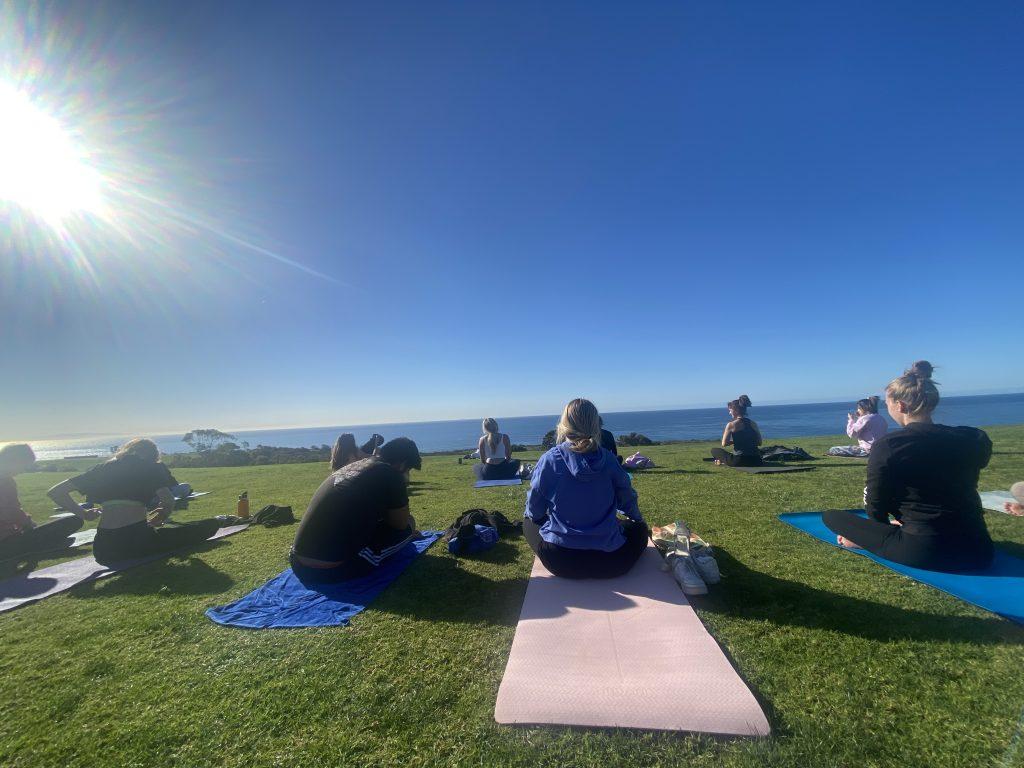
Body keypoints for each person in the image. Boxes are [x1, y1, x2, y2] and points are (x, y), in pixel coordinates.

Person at [823, 361, 995, 572]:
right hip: (979, 550)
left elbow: (876, 503)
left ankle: (871, 540)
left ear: (900, 406)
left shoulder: (891, 444)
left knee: (830, 516)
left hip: (925, 550)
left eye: (888, 405)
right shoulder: (974, 438)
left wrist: (875, 535)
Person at [524, 398, 648, 579]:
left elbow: (535, 509)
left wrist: (540, 519)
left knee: (528, 522)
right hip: (613, 561)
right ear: (596, 425)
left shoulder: (549, 459)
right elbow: (627, 498)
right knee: (639, 530)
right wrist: (637, 520)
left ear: (564, 425)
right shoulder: (609, 459)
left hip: (561, 560)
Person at [47, 438, 221, 566]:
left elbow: (56, 492)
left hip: (103, 550)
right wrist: (163, 513)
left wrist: (83, 514)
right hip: (137, 541)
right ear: (152, 456)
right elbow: (168, 499)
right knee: (208, 526)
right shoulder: (150, 468)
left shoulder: (102, 469)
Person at [291, 437, 422, 582]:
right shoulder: (392, 474)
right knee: (410, 524)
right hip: (333, 570)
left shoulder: (354, 466)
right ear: (403, 464)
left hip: (297, 563)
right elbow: (400, 524)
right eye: (408, 470)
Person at [0, 444, 85, 560]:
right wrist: (27, 524)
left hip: (9, 536)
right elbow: (9, 512)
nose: (23, 470)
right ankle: (37, 545)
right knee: (74, 521)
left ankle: (39, 543)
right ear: (15, 460)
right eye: (24, 465)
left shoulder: (7, 480)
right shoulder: (5, 481)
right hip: (6, 542)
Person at [711, 395, 763, 466]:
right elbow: (759, 442)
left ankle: (722, 461)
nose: (729, 413)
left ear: (736, 410)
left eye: (730, 410)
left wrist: (734, 441)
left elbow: (724, 444)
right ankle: (723, 461)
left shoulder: (731, 425)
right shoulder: (753, 423)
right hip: (756, 460)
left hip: (739, 460)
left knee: (714, 450)